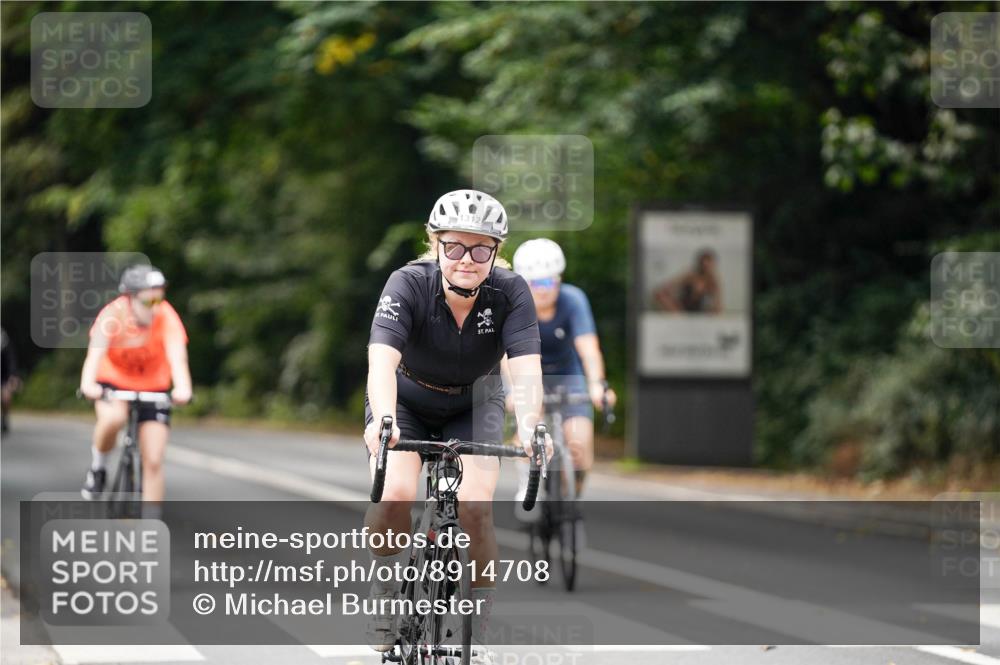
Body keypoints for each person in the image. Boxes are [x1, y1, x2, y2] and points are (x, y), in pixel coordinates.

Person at [363, 189, 551, 664]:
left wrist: (530, 426)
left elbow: (526, 368)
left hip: (478, 400)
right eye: (455, 247)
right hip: (407, 400)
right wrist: (383, 421)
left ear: (496, 252)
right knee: (395, 496)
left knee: (475, 510)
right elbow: (381, 361)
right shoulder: (407, 284)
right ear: (436, 244)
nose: (467, 259)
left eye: (481, 249)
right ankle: (387, 600)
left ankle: (478, 629)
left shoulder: (510, 292)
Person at [78, 265, 192, 512]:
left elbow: (177, 358)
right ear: (129, 298)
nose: (155, 307)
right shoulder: (112, 316)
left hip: (154, 387)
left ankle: (151, 524)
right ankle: (99, 467)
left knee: (153, 458)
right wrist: (88, 384)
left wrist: (183, 387)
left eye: (159, 299)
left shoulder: (166, 316)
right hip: (114, 381)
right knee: (114, 418)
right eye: (148, 301)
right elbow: (94, 356)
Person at [511, 239, 616, 502]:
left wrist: (598, 384)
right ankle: (527, 480)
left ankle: (572, 497)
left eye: (548, 282)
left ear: (559, 280)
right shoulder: (516, 305)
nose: (543, 290)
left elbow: (589, 348)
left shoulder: (573, 300)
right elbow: (505, 353)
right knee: (527, 427)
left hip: (568, 374)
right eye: (535, 283)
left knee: (580, 443)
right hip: (528, 374)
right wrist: (513, 389)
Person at [653, 248, 722, 313]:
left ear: (712, 265)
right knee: (659, 294)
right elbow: (670, 285)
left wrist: (714, 309)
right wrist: (669, 293)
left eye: (708, 265)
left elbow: (717, 304)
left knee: (716, 310)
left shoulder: (713, 281)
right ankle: (680, 317)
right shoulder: (690, 275)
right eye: (703, 265)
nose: (705, 267)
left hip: (699, 312)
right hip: (681, 309)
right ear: (700, 263)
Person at [1, 327, 20, 432]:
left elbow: (10, 359)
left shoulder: (2, 337)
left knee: (6, 397)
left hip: (4, 374)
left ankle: (5, 417)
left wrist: (13, 375)